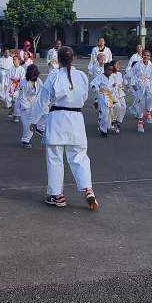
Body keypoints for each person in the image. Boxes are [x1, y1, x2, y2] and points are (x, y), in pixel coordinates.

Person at [27, 46, 98, 210]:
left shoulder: (54, 76)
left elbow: (42, 101)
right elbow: (84, 97)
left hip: (57, 118)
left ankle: (57, 195)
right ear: (73, 59)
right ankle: (88, 188)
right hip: (76, 119)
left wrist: (33, 120)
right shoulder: (81, 76)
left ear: (58, 60)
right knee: (79, 157)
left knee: (55, 159)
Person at [129, 49, 152, 133]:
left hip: (148, 84)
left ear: (150, 57)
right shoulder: (137, 65)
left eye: (148, 55)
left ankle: (148, 111)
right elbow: (132, 74)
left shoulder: (151, 66)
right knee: (141, 102)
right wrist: (133, 84)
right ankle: (140, 122)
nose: (146, 57)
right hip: (139, 85)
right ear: (142, 56)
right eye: (144, 55)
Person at [19, 63, 45, 149]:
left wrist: (39, 103)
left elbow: (41, 93)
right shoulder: (24, 82)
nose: (33, 76)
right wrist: (27, 107)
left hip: (35, 102)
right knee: (27, 124)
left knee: (44, 114)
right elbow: (22, 96)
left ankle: (39, 128)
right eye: (32, 74)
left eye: (35, 74)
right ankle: (25, 140)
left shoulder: (39, 81)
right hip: (25, 104)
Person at [90, 62, 116, 137]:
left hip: (110, 97)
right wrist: (96, 89)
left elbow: (113, 87)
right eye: (109, 69)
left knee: (108, 114)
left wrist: (113, 88)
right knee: (104, 113)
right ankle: (103, 130)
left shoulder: (112, 77)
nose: (110, 71)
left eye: (112, 70)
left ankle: (104, 125)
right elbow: (93, 84)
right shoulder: (100, 77)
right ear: (105, 69)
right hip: (102, 97)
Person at [109, 60, 127, 133]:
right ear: (112, 66)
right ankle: (113, 120)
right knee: (117, 107)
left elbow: (121, 83)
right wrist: (113, 85)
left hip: (120, 93)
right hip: (113, 93)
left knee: (124, 106)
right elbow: (109, 85)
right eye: (116, 64)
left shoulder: (119, 74)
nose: (118, 66)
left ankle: (119, 121)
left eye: (119, 65)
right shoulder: (110, 74)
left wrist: (123, 86)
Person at [8, 55, 27, 121]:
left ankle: (17, 115)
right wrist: (9, 86)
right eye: (13, 59)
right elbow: (9, 78)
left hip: (19, 85)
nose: (14, 61)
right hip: (12, 85)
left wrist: (19, 86)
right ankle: (12, 109)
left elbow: (22, 79)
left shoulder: (22, 69)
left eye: (15, 59)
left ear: (19, 61)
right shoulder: (11, 68)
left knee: (16, 100)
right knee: (11, 99)